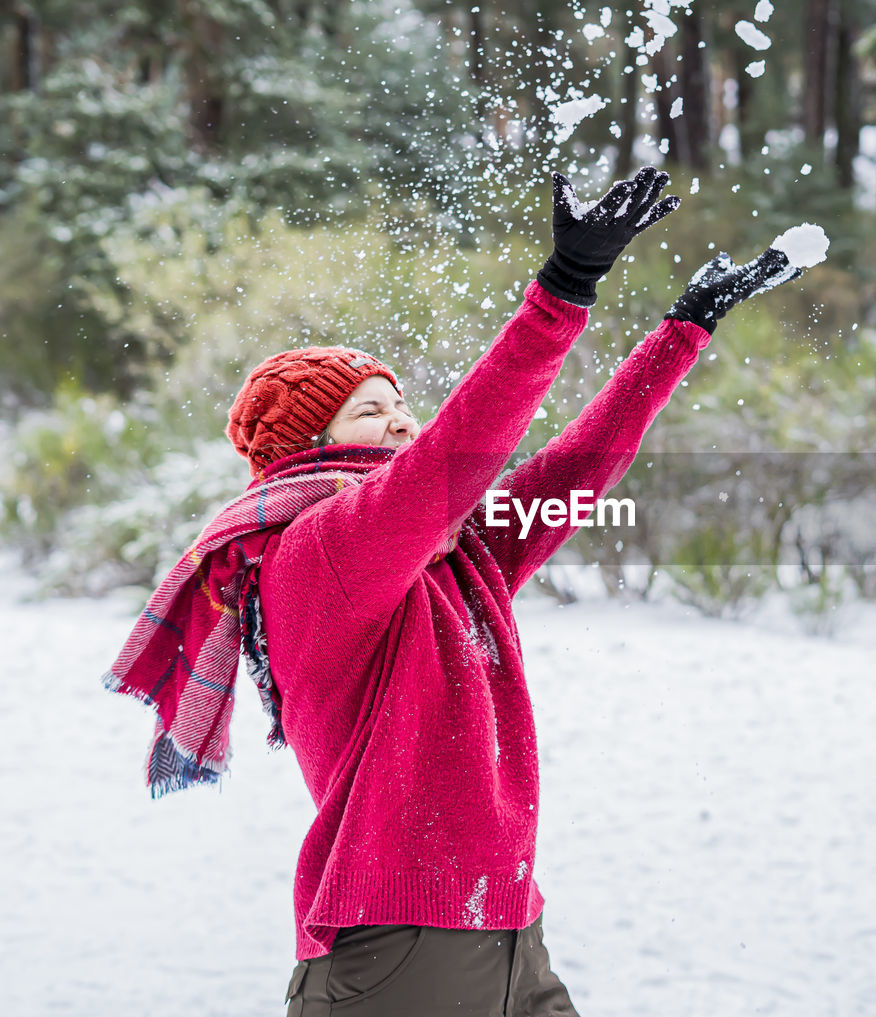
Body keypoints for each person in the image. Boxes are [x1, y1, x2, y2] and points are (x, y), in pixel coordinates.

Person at [103, 166, 806, 1016]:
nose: (402, 419)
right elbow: (462, 446)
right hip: (402, 947)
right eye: (371, 410)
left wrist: (683, 330)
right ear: (307, 445)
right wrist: (563, 290)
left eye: (401, 401)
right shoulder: (319, 553)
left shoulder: (452, 553)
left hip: (509, 926)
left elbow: (574, 471)